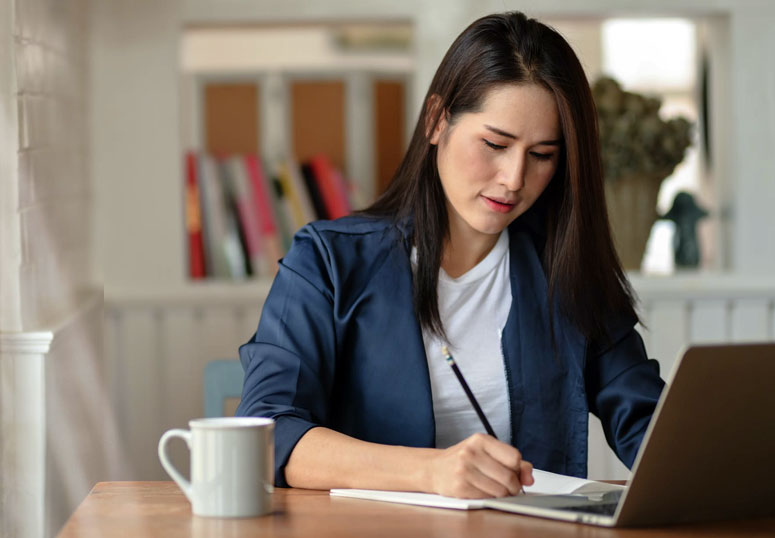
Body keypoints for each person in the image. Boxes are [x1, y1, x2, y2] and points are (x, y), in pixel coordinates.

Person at [236, 11, 665, 499]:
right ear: (437, 120)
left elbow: (649, 425)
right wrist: (430, 472)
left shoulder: (565, 272)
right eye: (495, 143)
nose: (514, 178)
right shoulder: (328, 263)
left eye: (542, 154)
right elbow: (266, 432)